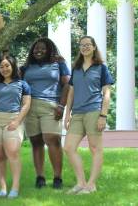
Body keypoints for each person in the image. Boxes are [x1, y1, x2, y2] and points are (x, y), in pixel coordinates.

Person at [64, 36, 113, 194]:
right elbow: (71, 93)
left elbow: (106, 93)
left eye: (87, 45)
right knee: (69, 148)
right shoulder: (76, 68)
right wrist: (67, 114)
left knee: (95, 148)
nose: (84, 47)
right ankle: (81, 183)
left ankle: (91, 185)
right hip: (77, 113)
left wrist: (103, 115)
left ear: (93, 47)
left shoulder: (101, 68)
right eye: (82, 45)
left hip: (93, 111)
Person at [21, 37, 70, 189]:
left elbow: (67, 84)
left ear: (49, 49)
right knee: (36, 142)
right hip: (30, 107)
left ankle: (57, 178)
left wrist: (62, 106)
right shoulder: (27, 67)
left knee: (52, 139)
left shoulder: (59, 63)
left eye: (42, 48)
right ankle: (40, 177)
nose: (39, 51)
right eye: (36, 48)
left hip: (51, 106)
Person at [0, 55, 31, 198]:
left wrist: (17, 121)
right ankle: (3, 188)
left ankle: (15, 188)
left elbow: (26, 105)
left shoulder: (23, 84)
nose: (4, 69)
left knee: (12, 152)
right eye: (2, 66)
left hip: (13, 120)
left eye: (7, 66)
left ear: (13, 66)